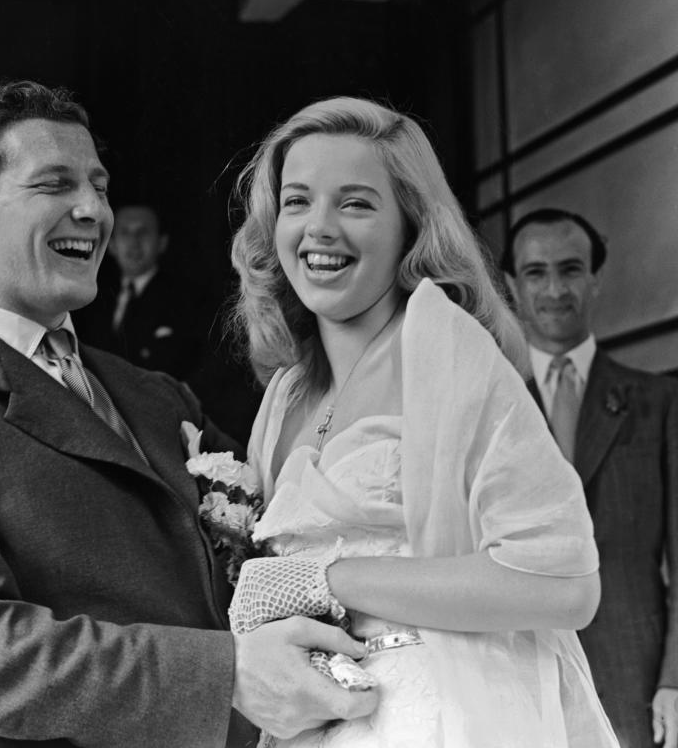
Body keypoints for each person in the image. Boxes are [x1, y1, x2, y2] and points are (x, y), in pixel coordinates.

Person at [0, 80, 377, 748]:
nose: (92, 210)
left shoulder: (158, 394)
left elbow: (293, 527)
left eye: (99, 185)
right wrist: (223, 675)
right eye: (55, 185)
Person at [227, 96, 620, 747]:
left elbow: (564, 581)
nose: (319, 228)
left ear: (410, 226)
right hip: (317, 723)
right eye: (298, 201)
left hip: (434, 717)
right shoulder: (286, 392)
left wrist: (328, 579)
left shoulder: (446, 345)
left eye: (355, 203)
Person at [502, 207, 678, 748]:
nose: (555, 289)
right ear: (512, 285)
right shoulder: (491, 407)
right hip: (517, 679)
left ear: (595, 278)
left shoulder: (659, 401)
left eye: (571, 269)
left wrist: (675, 679)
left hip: (637, 682)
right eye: (536, 272)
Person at [75, 202, 208, 379]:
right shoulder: (90, 298)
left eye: (143, 232)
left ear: (161, 242)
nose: (134, 242)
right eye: (125, 232)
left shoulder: (188, 301)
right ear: (112, 244)